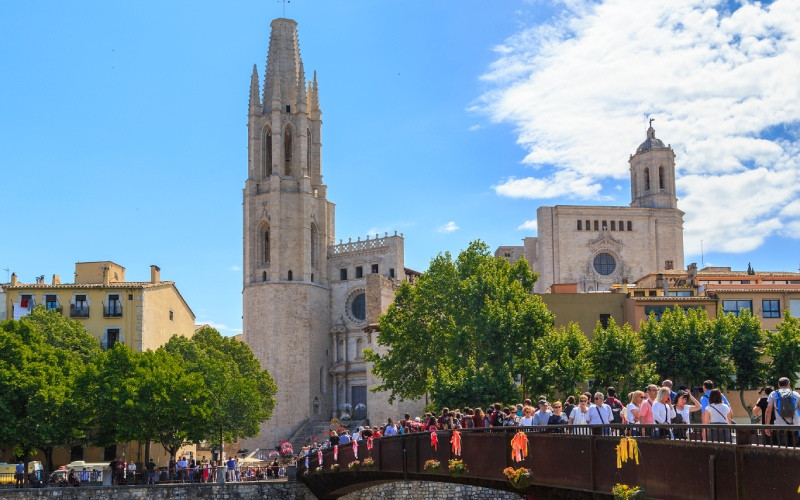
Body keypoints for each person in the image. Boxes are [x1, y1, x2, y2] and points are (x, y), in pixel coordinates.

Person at [765, 376, 800, 447]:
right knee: (794, 448)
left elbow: (768, 410)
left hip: (780, 426)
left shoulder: (773, 394)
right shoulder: (795, 394)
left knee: (783, 448)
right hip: (795, 425)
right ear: (789, 384)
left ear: (778, 385)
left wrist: (767, 426)